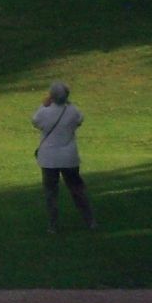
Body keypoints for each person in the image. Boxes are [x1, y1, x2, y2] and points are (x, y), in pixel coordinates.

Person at [32, 82, 95, 233]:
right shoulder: (72, 111)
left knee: (51, 192)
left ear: (52, 96)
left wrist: (43, 105)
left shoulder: (45, 112)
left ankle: (53, 225)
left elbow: (35, 121)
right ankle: (90, 220)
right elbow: (80, 119)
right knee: (77, 190)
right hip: (69, 157)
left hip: (49, 158)